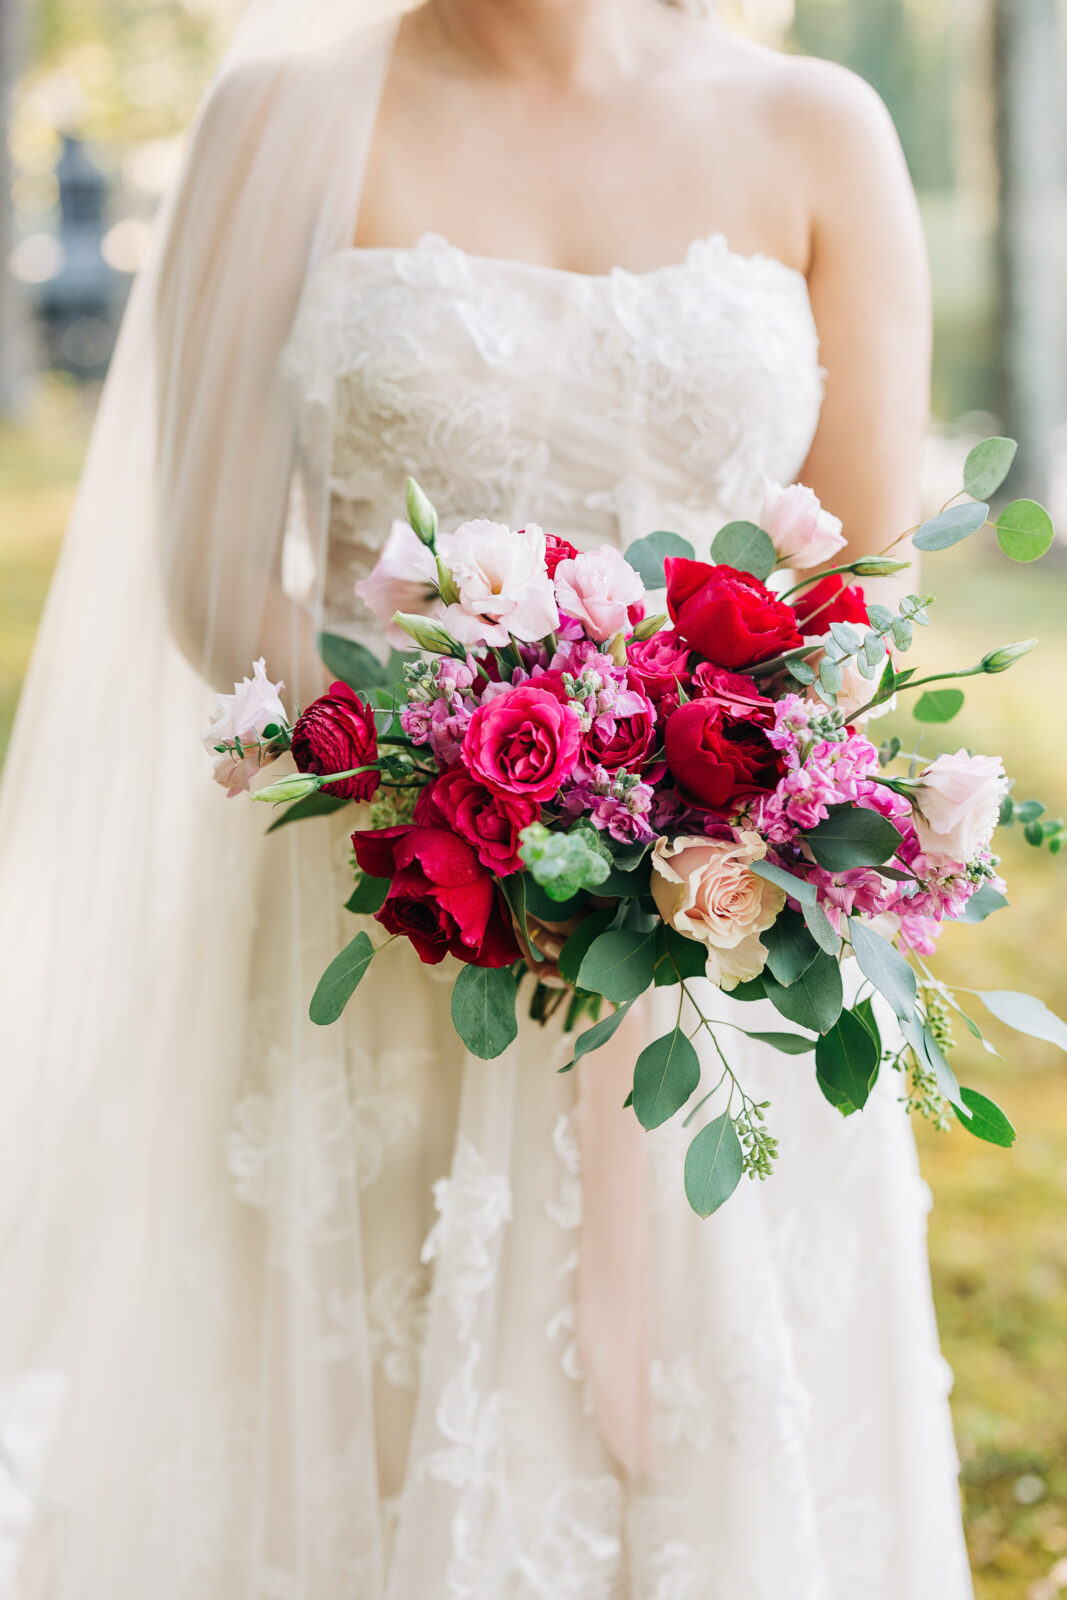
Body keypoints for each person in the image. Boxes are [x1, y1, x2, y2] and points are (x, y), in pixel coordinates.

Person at [0, 1, 973, 1595]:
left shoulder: (820, 130)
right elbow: (216, 566)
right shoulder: (279, 120)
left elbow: (864, 574)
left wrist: (679, 819)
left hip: (718, 929)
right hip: (390, 896)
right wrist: (453, 794)